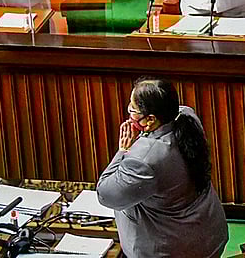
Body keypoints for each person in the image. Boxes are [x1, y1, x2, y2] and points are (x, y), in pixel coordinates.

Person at [97, 78, 228, 258]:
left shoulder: (143, 159)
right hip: (210, 234)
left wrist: (123, 151)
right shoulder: (188, 118)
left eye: (132, 110)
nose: (129, 113)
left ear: (150, 119)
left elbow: (106, 194)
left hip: (172, 249)